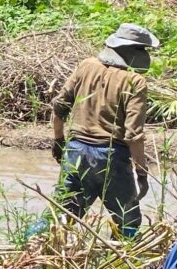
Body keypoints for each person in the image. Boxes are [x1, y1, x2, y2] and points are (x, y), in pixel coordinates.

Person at [33, 23, 159, 239]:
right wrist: (141, 173)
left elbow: (60, 106)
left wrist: (58, 139)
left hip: (76, 151)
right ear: (132, 51)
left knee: (60, 215)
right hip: (111, 156)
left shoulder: (86, 66)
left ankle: (28, 247)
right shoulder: (135, 81)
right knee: (127, 220)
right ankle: (121, 262)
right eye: (143, 50)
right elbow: (133, 135)